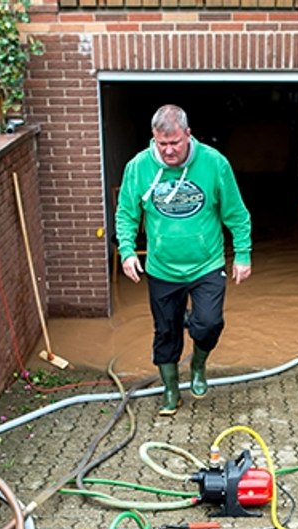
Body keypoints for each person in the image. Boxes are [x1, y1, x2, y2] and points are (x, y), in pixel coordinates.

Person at [115, 104, 252, 416]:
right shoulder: (138, 167)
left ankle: (199, 366)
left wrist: (242, 254)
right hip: (162, 267)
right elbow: (125, 214)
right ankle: (172, 390)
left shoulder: (214, 164)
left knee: (208, 324)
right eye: (162, 144)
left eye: (175, 142)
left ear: (188, 134)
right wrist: (126, 251)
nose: (168, 150)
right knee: (166, 332)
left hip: (206, 264)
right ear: (154, 138)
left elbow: (237, 214)